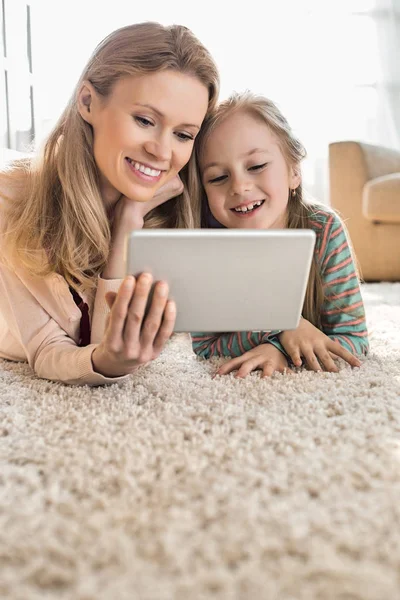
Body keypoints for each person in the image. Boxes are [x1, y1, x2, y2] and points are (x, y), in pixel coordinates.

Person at [0, 22, 219, 385]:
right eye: (145, 120)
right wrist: (108, 360)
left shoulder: (169, 208)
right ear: (88, 102)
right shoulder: (12, 200)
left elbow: (108, 343)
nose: (162, 151)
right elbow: (53, 350)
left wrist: (128, 221)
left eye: (182, 134)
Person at [190, 92, 369, 378]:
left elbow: (355, 341)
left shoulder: (323, 230)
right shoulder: (206, 247)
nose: (239, 187)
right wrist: (284, 327)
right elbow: (205, 347)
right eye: (218, 177)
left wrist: (279, 348)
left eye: (257, 166)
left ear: (294, 172)